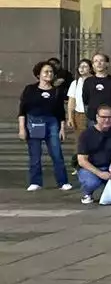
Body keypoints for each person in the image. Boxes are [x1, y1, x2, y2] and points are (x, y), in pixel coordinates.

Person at [19, 60, 71, 191]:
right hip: (34, 122)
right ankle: (35, 182)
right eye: (46, 71)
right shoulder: (30, 89)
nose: (49, 74)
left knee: (57, 153)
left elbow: (60, 112)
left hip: (52, 122)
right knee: (35, 154)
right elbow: (22, 110)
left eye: (51, 72)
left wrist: (62, 128)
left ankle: (63, 181)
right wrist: (22, 128)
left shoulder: (57, 91)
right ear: (39, 74)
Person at [76, 105, 111, 205]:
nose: (107, 120)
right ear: (97, 117)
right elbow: (82, 160)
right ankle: (87, 193)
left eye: (110, 117)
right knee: (92, 183)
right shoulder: (86, 134)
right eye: (103, 117)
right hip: (92, 167)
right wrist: (100, 173)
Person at [83, 53, 111, 122]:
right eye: (96, 61)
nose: (99, 63)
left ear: (107, 64)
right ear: (93, 65)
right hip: (93, 117)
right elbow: (86, 99)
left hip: (110, 117)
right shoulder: (88, 81)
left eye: (101, 60)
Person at [65, 58, 92, 135]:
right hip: (80, 114)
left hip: (94, 114)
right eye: (80, 66)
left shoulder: (95, 80)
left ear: (90, 68)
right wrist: (70, 117)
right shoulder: (75, 83)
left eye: (85, 66)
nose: (82, 68)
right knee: (81, 139)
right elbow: (71, 101)